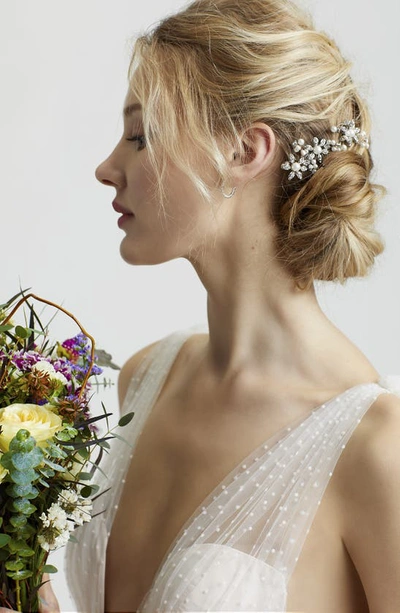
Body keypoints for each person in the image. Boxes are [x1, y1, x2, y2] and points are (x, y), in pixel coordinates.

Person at [63, 0, 400, 611]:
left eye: (142, 136)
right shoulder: (145, 380)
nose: (108, 167)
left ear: (245, 152)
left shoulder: (377, 450)